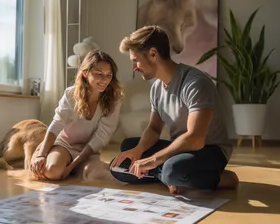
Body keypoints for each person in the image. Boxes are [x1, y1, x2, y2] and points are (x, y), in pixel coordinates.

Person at [110, 25, 239, 194]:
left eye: (136, 60)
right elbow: (154, 129)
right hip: (180, 149)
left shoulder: (196, 83)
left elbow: (195, 139)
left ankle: (221, 178)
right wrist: (138, 150)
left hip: (209, 150)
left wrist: (154, 160)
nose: (134, 67)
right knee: (123, 157)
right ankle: (171, 178)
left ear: (153, 54)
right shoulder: (156, 88)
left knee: (172, 169)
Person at [30, 50, 123, 181]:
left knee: (96, 175)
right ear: (85, 73)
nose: (105, 80)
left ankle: (72, 167)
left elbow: (102, 136)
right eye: (99, 74)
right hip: (65, 145)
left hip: (89, 150)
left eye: (109, 75)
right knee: (53, 172)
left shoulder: (114, 99)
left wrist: (72, 166)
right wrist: (42, 155)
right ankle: (44, 153)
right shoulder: (70, 94)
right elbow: (57, 123)